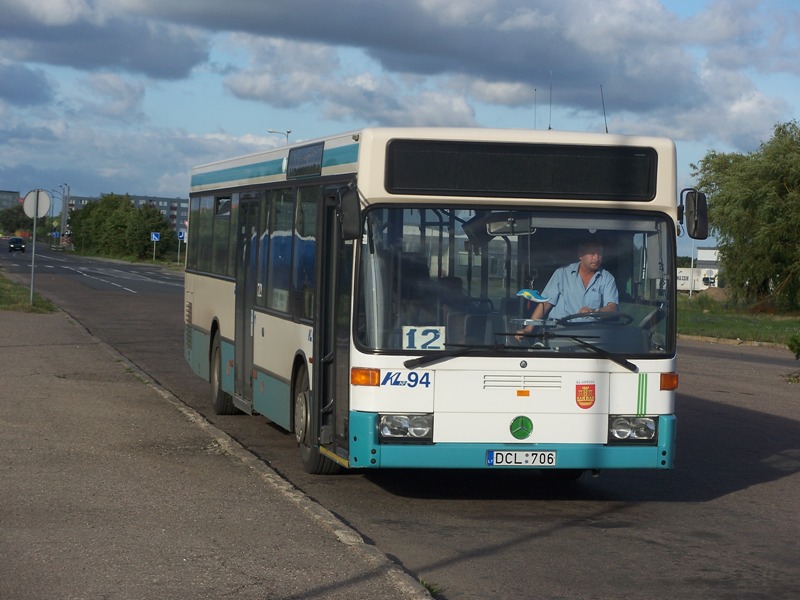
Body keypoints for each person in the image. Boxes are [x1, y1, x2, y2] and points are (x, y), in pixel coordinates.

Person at [516, 238, 618, 339]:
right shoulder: (562, 273)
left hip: (592, 336)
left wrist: (594, 311)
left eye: (600, 254)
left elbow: (612, 308)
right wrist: (528, 329)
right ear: (580, 255)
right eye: (592, 253)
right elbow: (545, 303)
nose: (596, 258)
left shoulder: (607, 278)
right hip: (560, 333)